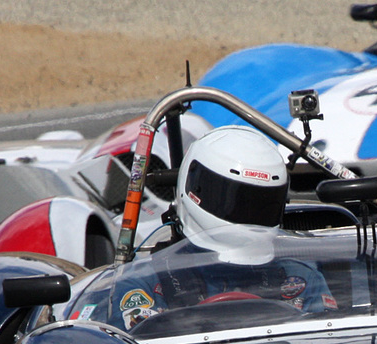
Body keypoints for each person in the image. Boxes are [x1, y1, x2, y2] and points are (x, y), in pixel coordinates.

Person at [111, 126, 336, 330]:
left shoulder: (299, 278)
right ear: (197, 190)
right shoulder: (144, 282)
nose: (249, 212)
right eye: (236, 200)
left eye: (261, 202)